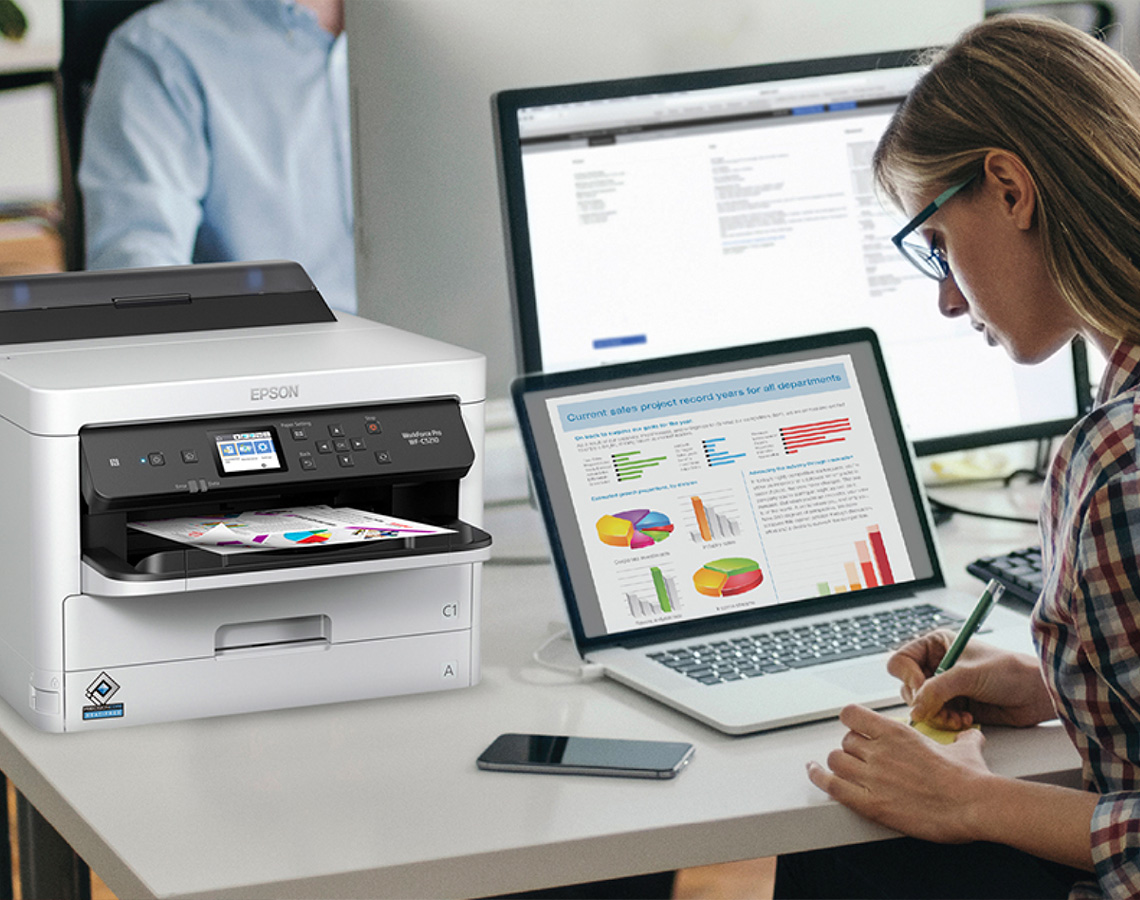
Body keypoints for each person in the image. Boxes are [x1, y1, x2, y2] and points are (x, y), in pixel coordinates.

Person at [776, 14, 1140, 900]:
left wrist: (972, 799)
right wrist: (1058, 684)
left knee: (851, 854)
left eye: (936, 244)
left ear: (1012, 189)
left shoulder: (1120, 467)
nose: (945, 300)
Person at [77, 0, 357, 314]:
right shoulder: (161, 48)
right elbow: (138, 283)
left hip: (417, 343)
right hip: (268, 349)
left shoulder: (412, 34)